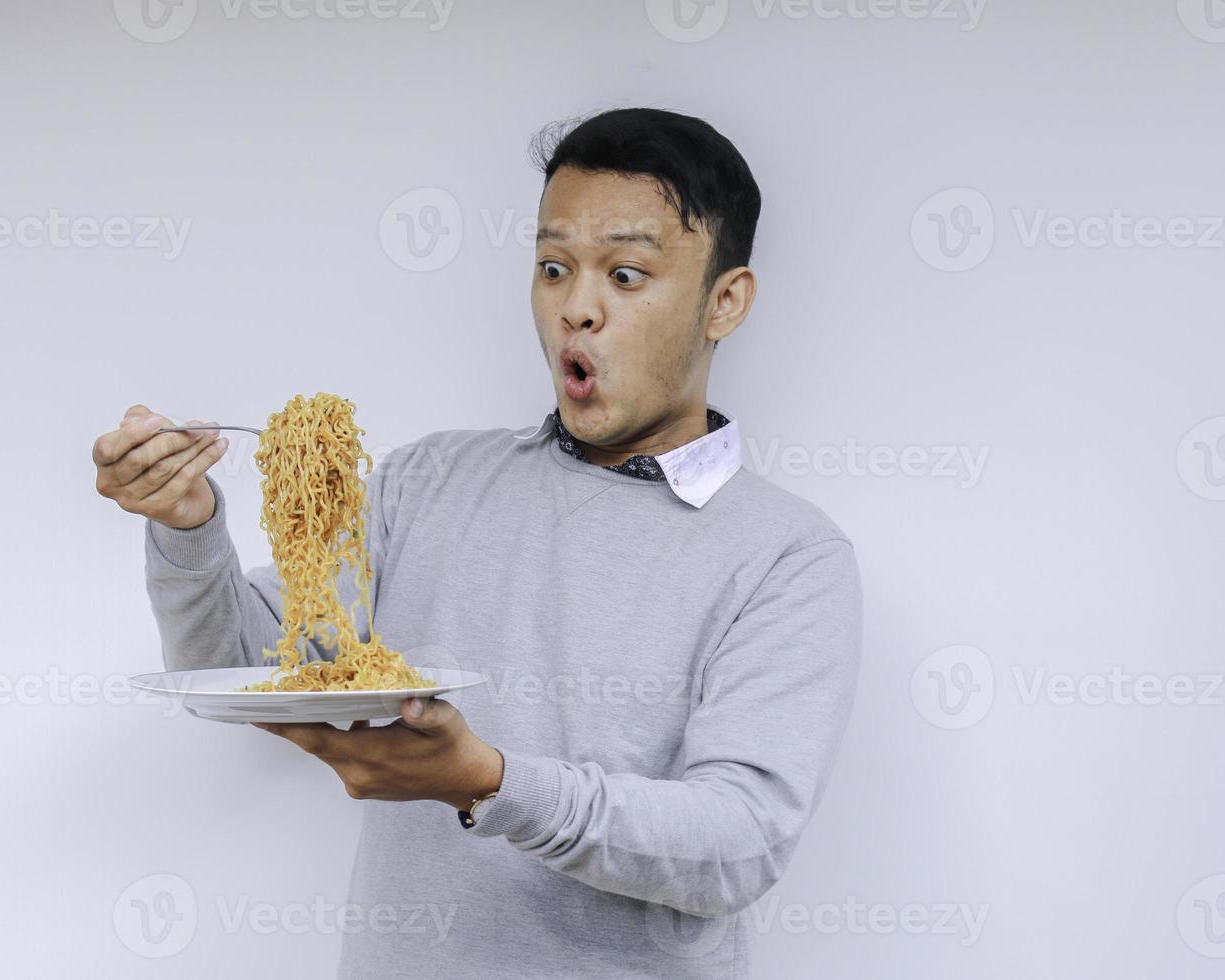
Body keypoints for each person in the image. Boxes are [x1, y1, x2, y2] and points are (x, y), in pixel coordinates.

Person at [92, 107, 862, 980]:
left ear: (725, 301)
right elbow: (239, 665)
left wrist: (487, 783)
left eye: (627, 273)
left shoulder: (786, 555)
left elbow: (735, 846)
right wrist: (188, 525)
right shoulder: (428, 483)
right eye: (553, 267)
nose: (577, 307)